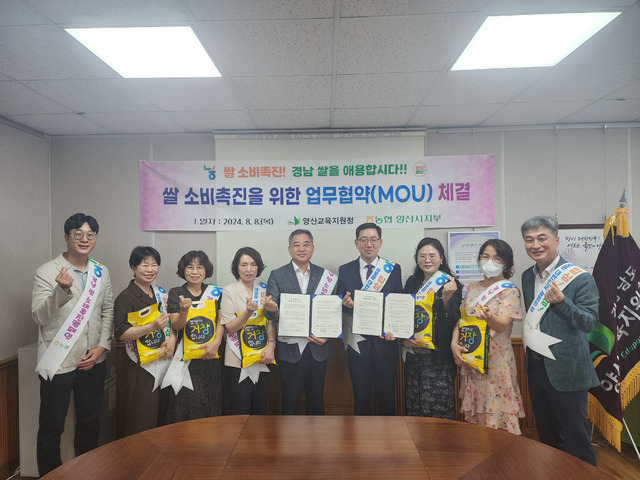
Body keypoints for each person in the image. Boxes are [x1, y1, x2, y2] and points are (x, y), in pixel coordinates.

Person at [31, 213, 113, 476]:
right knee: (51, 426)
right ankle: (50, 475)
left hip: (94, 360)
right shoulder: (47, 271)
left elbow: (107, 310)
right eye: (78, 234)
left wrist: (102, 346)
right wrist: (61, 291)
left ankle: (87, 473)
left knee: (90, 422)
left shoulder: (101, 271)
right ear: (66, 237)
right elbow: (38, 316)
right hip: (59, 360)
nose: (84, 239)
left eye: (90, 234)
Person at [520, 216, 599, 464]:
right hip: (536, 367)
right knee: (548, 438)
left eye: (541, 238)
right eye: (529, 240)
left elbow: (589, 322)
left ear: (556, 240)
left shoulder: (580, 278)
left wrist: (563, 304)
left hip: (568, 368)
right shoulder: (527, 276)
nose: (536, 245)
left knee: (577, 439)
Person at [451, 239, 525, 434]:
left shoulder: (509, 290)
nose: (490, 262)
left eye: (496, 258)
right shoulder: (472, 288)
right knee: (477, 419)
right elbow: (462, 321)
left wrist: (489, 317)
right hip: (472, 358)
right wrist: (453, 344)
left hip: (496, 360)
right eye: (485, 257)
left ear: (506, 263)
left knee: (497, 413)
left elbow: (501, 324)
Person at [266, 229, 336, 415]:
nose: (301, 248)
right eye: (296, 245)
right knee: (290, 400)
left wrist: (327, 338)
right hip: (290, 348)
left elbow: (331, 312)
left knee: (317, 401)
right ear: (289, 249)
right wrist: (271, 310)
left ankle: (318, 435)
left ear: (313, 248)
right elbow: (270, 313)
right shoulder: (277, 275)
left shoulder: (326, 276)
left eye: (306, 244)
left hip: (317, 348)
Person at [336, 223, 403, 415]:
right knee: (360, 397)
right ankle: (360, 434)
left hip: (385, 343)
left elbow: (398, 303)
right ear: (356, 243)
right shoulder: (345, 269)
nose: (369, 244)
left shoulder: (393, 269)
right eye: (364, 240)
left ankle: (388, 434)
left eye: (373, 240)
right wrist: (346, 305)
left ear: (380, 242)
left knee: (387, 397)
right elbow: (340, 302)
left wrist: (396, 331)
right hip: (357, 343)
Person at [113, 246, 175, 436]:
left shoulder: (160, 294)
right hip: (140, 366)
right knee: (142, 415)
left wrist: (172, 339)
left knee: (162, 414)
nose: (150, 269)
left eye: (154, 265)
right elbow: (121, 333)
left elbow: (171, 323)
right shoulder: (125, 297)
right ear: (133, 268)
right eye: (144, 265)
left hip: (163, 360)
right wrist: (151, 327)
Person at [403, 238, 462, 419]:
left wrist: (446, 297)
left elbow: (453, 320)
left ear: (441, 258)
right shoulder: (412, 282)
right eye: (422, 256)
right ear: (417, 258)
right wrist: (402, 338)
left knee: (439, 407)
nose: (427, 260)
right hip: (414, 354)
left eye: (432, 256)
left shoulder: (451, 284)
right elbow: (402, 312)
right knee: (415, 404)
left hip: (439, 356)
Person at [165, 250, 224, 423]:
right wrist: (184, 310)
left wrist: (216, 342)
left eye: (200, 267)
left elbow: (221, 320)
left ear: (206, 270)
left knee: (211, 401)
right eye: (190, 267)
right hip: (186, 359)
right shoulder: (176, 292)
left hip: (211, 356)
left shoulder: (215, 292)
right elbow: (176, 325)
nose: (195, 272)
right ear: (183, 270)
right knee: (186, 403)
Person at [220, 247, 277, 414]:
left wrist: (271, 345)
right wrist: (247, 312)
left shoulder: (265, 290)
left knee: (260, 408)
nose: (249, 269)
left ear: (258, 267)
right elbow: (230, 327)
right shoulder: (229, 291)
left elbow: (270, 322)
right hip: (237, 357)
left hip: (262, 355)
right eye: (244, 265)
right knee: (240, 409)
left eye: (253, 264)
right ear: (236, 268)